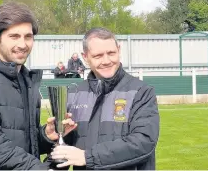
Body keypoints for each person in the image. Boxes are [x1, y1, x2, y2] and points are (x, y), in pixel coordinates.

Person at [0, 2, 76, 170]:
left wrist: (46, 135)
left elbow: (19, 139)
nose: (23, 44)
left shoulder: (23, 78)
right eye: (14, 36)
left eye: (28, 36)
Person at [50, 27, 160, 170]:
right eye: (98, 56)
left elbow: (143, 142)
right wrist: (51, 143)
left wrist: (87, 157)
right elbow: (63, 146)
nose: (106, 60)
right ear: (85, 57)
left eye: (111, 53)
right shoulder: (74, 94)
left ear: (119, 50)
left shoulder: (141, 91)